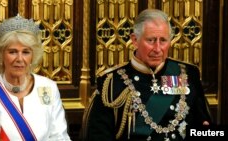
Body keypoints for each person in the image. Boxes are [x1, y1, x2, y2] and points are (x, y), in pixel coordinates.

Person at [83, 9, 212, 141]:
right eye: (150, 40)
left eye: (163, 40)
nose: (157, 49)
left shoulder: (187, 74)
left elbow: (203, 126)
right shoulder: (111, 83)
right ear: (134, 40)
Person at [0, 14, 71, 141]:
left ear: (33, 56)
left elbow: (60, 136)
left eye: (26, 52)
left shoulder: (48, 87)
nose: (20, 59)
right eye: (13, 52)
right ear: (1, 55)